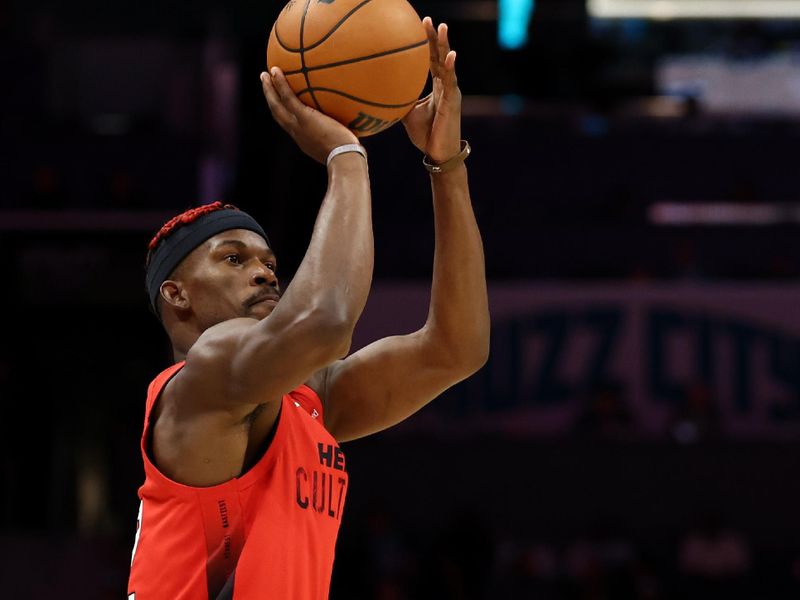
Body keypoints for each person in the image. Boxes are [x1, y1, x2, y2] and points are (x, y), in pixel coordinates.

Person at [127, 17, 489, 600]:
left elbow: (457, 349)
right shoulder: (203, 376)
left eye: (268, 259)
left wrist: (446, 167)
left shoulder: (305, 400)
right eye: (233, 258)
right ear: (176, 294)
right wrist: (346, 154)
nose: (265, 270)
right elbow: (325, 322)